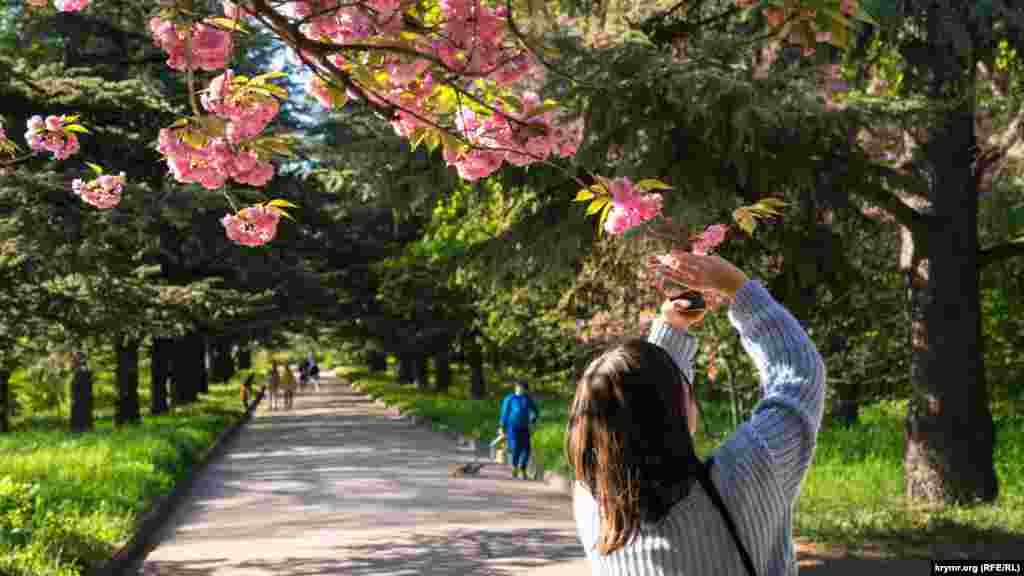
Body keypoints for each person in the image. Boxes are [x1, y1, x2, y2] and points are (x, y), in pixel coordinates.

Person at [567, 253, 825, 576]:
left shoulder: (595, 512)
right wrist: (736, 285)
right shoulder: (746, 475)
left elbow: (638, 410)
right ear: (676, 412)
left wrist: (671, 330)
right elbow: (800, 378)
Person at [499, 380, 540, 480]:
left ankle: (523, 468)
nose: (521, 390)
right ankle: (514, 466)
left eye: (523, 388)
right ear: (516, 388)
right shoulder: (510, 399)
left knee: (527, 449)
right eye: (519, 387)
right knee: (516, 447)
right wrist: (501, 427)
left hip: (525, 427)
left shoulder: (527, 399)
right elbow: (504, 413)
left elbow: (535, 411)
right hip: (512, 427)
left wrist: (533, 419)